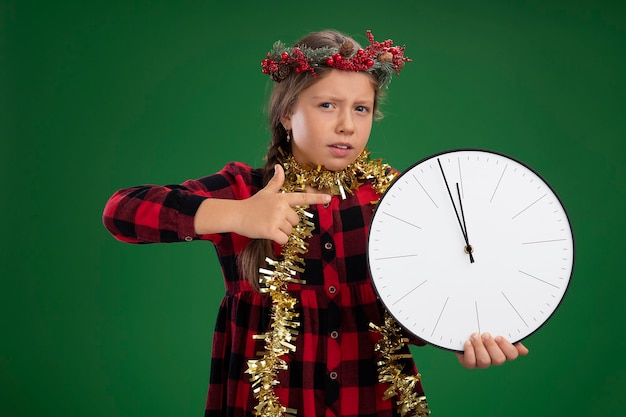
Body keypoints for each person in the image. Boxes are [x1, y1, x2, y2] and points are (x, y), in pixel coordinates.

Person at [103, 29, 528, 417]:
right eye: (327, 105)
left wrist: (463, 336)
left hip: (373, 398)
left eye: (361, 109)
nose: (346, 124)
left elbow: (422, 301)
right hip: (268, 402)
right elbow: (122, 211)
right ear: (287, 114)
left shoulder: (397, 200)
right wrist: (237, 213)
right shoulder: (245, 188)